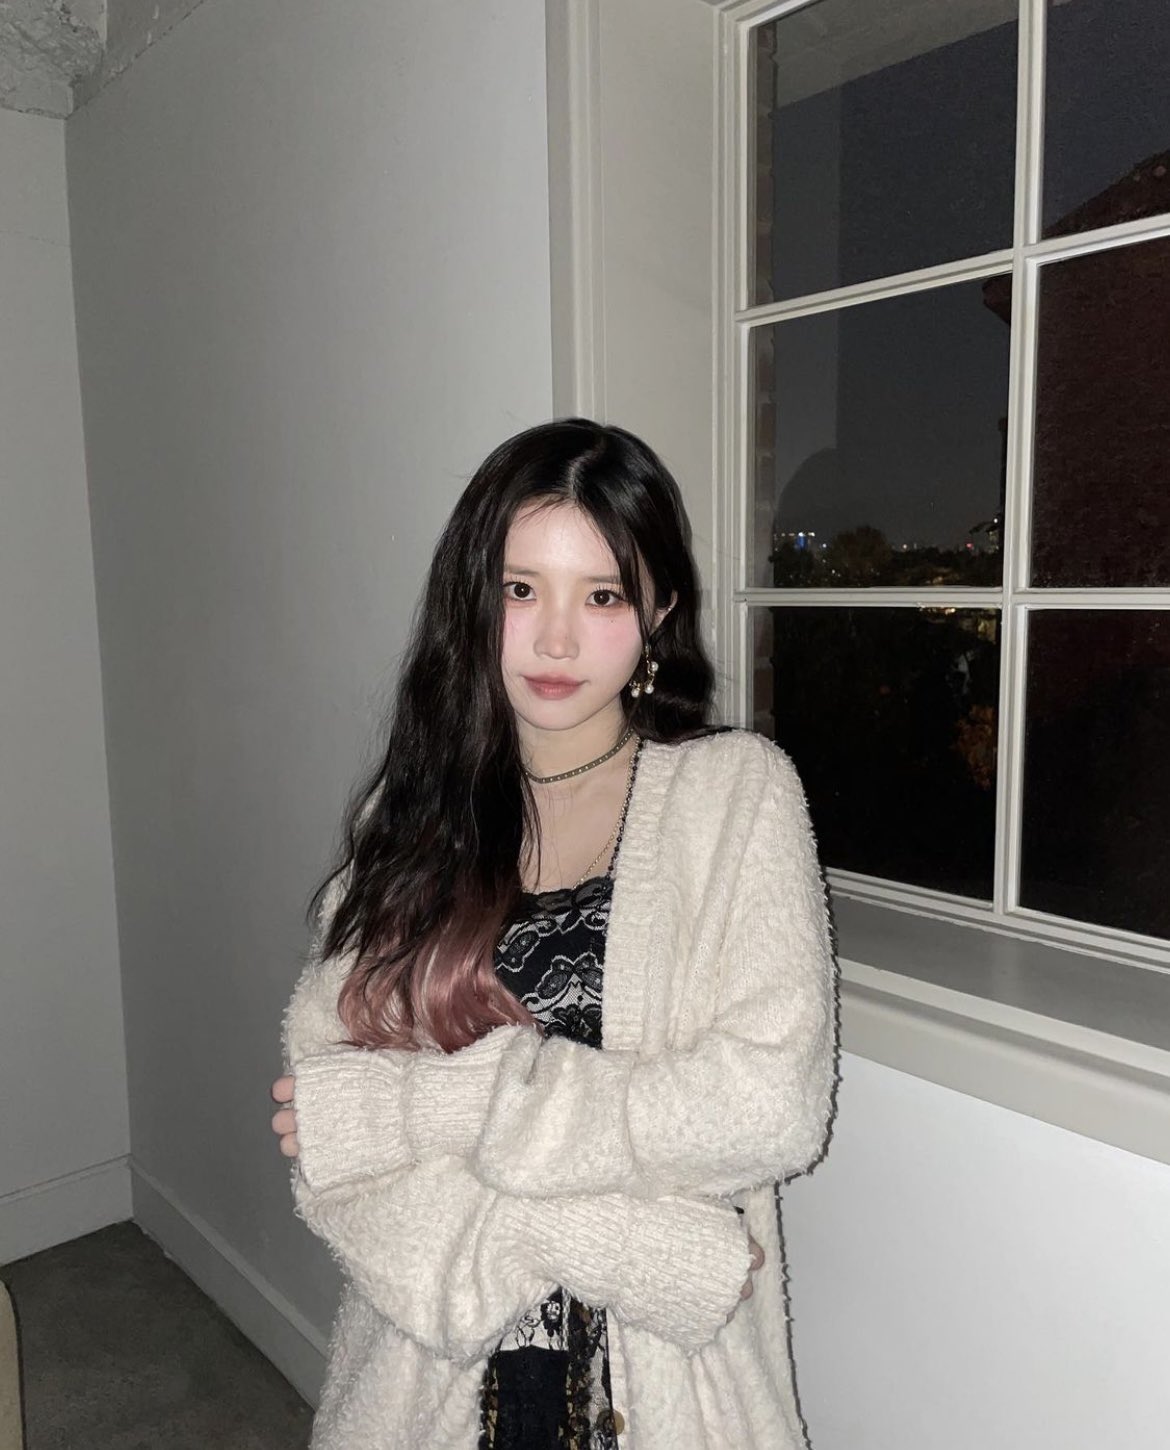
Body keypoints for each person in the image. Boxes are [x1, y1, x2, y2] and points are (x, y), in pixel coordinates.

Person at [270, 417, 839, 1449]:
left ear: (659, 610)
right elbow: (336, 1152)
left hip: (671, 1391)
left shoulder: (737, 796)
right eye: (522, 589)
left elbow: (768, 1107)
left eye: (603, 595)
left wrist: (438, 1106)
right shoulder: (409, 818)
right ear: (473, 599)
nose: (558, 640)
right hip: (426, 1377)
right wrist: (626, 1242)